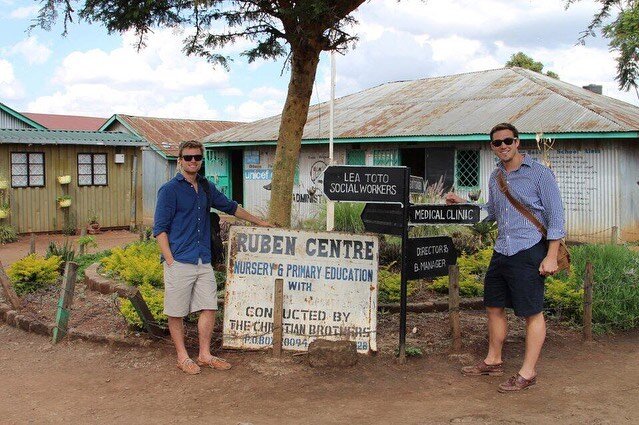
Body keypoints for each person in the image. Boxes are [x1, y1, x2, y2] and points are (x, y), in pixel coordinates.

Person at [445, 122, 565, 392]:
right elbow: (492, 211)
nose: (503, 146)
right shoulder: (495, 176)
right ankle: (493, 359)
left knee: (531, 312)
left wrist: (551, 255)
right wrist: (465, 205)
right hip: (502, 250)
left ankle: (528, 372)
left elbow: (556, 216)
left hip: (529, 249)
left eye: (508, 141)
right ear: (492, 147)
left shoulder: (540, 174)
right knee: (494, 306)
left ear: (518, 142)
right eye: (497, 143)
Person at [153, 140, 271, 375]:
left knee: (209, 307)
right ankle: (182, 356)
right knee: (176, 311)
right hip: (179, 260)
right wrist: (170, 260)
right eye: (188, 157)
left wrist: (260, 222)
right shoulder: (169, 190)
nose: (193, 161)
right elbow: (160, 229)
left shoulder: (206, 187)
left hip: (202, 259)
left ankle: (204, 354)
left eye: (197, 157)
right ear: (180, 160)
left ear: (202, 160)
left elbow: (230, 207)